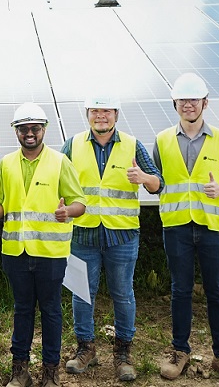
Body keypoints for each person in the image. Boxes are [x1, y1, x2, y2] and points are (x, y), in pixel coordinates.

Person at [153, 73, 219, 386]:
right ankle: (179, 352)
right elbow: (157, 183)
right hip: (176, 227)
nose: (188, 105)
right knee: (180, 290)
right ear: (175, 104)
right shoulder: (162, 140)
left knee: (216, 291)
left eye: (194, 99)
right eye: (183, 100)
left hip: (212, 228)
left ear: (205, 103)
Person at [62, 93, 161, 382]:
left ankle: (123, 353)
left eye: (106, 110)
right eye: (95, 111)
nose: (101, 116)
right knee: (82, 293)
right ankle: (86, 348)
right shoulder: (72, 145)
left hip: (123, 235)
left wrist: (144, 178)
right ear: (87, 114)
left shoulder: (132, 145)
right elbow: (57, 179)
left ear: (116, 114)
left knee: (123, 294)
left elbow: (158, 184)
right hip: (83, 233)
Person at [0, 103, 85, 387]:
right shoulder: (6, 164)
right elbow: (1, 206)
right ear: (16, 131)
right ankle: (20, 371)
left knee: (51, 311)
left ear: (44, 130)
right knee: (22, 310)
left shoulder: (60, 162)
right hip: (16, 252)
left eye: (35, 128)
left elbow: (80, 202)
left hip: (50, 254)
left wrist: (68, 211)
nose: (29, 133)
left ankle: (50, 372)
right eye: (24, 129)